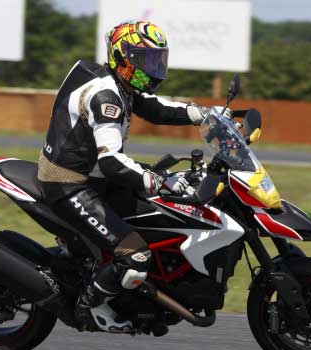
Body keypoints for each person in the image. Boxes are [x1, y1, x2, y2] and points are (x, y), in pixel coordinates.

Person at [37, 20, 223, 333]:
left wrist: (203, 114)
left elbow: (155, 109)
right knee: (136, 254)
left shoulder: (120, 85)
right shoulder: (106, 97)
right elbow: (111, 162)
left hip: (93, 176)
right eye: (145, 59)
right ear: (122, 57)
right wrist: (158, 181)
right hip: (70, 184)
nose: (153, 67)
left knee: (161, 211)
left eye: (156, 59)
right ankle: (90, 306)